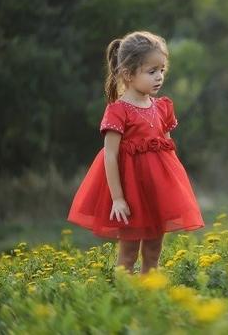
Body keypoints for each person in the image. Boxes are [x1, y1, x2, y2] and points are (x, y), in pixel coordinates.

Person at [68, 31, 204, 274]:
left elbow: (168, 150)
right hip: (131, 194)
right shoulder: (118, 111)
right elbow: (109, 156)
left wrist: (172, 190)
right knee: (128, 253)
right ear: (128, 74)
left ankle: (148, 295)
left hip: (156, 192)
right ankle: (126, 297)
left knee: (153, 251)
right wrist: (118, 198)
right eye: (151, 72)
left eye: (162, 70)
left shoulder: (162, 107)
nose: (159, 77)